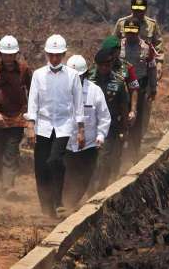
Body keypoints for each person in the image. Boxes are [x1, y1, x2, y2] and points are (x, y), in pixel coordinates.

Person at [25, 34, 85, 218]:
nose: (54, 58)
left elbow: (78, 103)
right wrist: (30, 125)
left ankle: (58, 200)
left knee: (55, 160)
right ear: (46, 54)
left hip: (63, 125)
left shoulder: (73, 76)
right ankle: (46, 207)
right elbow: (33, 102)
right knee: (41, 167)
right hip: (43, 125)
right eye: (51, 54)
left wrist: (80, 129)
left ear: (64, 54)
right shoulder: (38, 75)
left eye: (58, 55)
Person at [0, 35, 32, 198]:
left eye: (12, 55)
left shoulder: (24, 69)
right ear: (0, 54)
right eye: (6, 55)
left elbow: (33, 90)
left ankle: (8, 185)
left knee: (11, 151)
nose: (9, 58)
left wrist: (30, 113)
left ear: (17, 54)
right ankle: (0, 181)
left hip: (17, 117)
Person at [63, 55, 110, 208]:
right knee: (65, 176)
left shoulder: (95, 92)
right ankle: (61, 204)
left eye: (79, 76)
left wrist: (101, 135)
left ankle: (70, 205)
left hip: (88, 145)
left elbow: (104, 117)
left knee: (83, 177)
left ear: (85, 75)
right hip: (65, 143)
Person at [88, 48, 129, 190]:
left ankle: (101, 188)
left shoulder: (118, 82)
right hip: (89, 126)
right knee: (90, 160)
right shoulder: (88, 79)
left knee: (104, 159)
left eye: (108, 65)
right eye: (102, 65)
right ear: (96, 65)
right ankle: (89, 188)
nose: (105, 68)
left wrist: (124, 128)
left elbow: (124, 106)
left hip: (109, 127)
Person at [119, 18, 157, 160]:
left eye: (133, 32)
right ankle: (119, 153)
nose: (130, 35)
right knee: (120, 119)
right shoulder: (118, 46)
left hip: (139, 89)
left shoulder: (146, 48)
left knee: (137, 121)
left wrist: (153, 88)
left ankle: (134, 154)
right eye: (128, 32)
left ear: (138, 31)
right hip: (121, 88)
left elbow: (152, 68)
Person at [112, 0, 165, 81]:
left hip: (145, 71)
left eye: (141, 10)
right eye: (136, 9)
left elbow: (158, 48)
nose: (138, 12)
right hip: (123, 70)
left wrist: (159, 66)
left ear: (146, 9)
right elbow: (113, 44)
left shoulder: (152, 25)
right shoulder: (121, 23)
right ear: (131, 8)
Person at [100, 35, 140, 126]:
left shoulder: (126, 67)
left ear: (118, 51)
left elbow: (134, 88)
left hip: (119, 110)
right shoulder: (98, 65)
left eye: (112, 52)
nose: (109, 55)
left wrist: (133, 110)